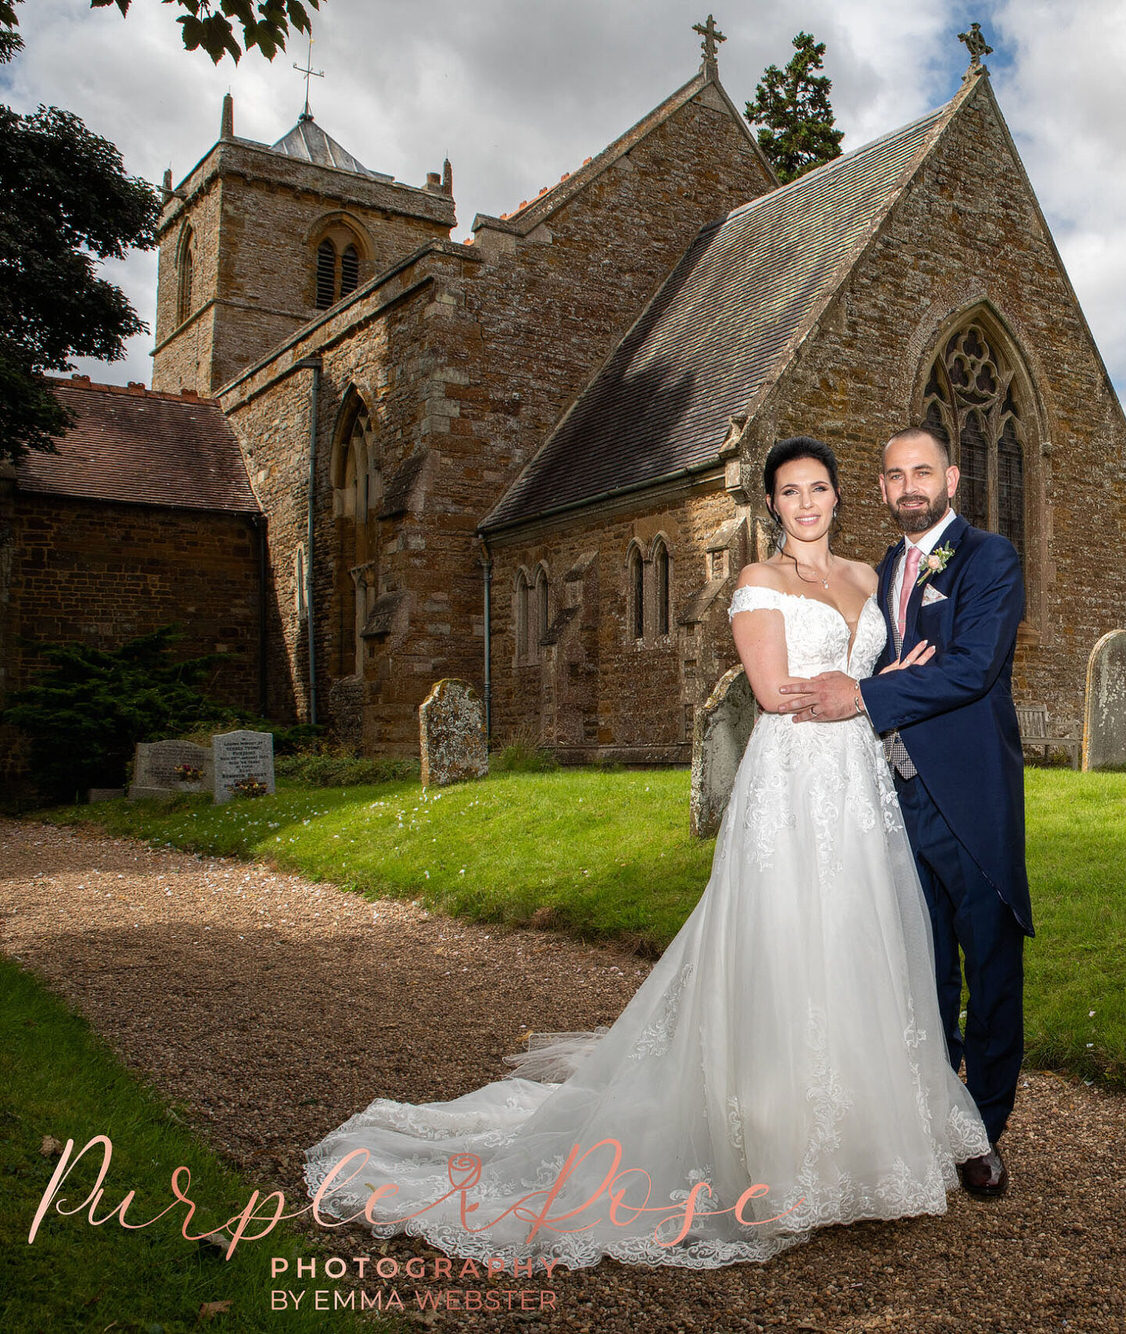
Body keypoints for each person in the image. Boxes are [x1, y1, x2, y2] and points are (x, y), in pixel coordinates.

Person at [300, 436, 992, 1271]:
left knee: (860, 940)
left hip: (859, 784)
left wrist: (888, 679)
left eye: (819, 488)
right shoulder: (757, 582)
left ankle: (869, 1140)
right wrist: (865, 691)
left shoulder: (866, 577)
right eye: (790, 491)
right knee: (785, 943)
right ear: (771, 504)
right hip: (793, 778)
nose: (807, 503)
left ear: (841, 496)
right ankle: (780, 1149)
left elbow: (896, 659)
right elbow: (775, 694)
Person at [779, 422, 1031, 1199]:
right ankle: (930, 1113)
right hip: (884, 797)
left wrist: (872, 689)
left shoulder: (989, 559)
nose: (909, 487)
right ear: (882, 489)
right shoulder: (883, 566)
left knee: (987, 964)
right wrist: (888, 670)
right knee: (918, 970)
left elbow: (971, 666)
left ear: (952, 480)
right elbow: (885, 656)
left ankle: (982, 1132)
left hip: (967, 792)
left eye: (923, 472)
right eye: (894, 476)